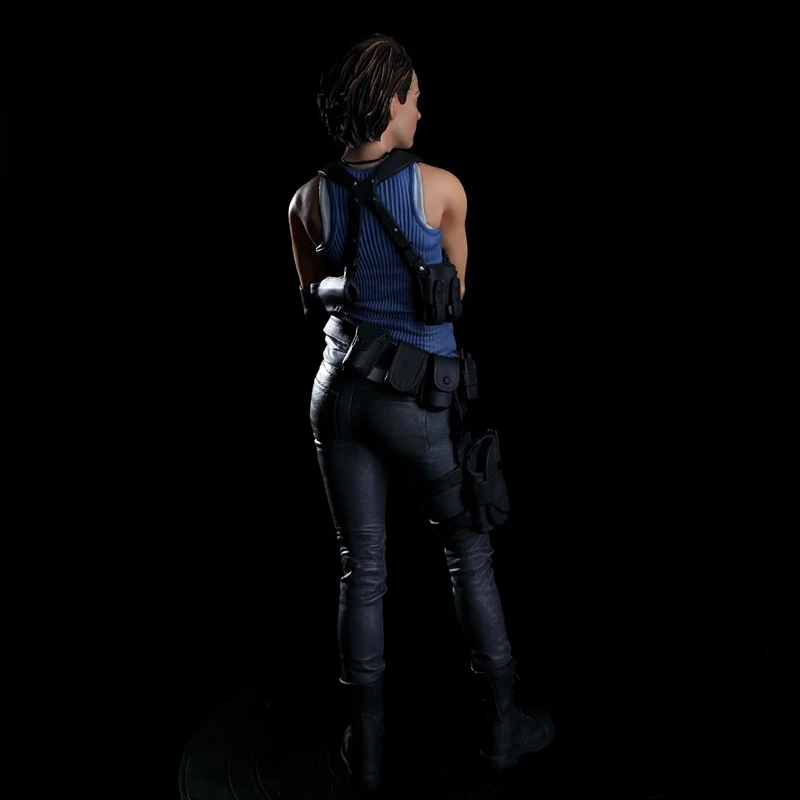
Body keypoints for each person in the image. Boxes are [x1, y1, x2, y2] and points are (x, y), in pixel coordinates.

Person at [288, 33, 555, 793]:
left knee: (361, 567)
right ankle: (503, 725)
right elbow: (456, 293)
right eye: (412, 98)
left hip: (336, 395)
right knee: (467, 552)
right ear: (389, 103)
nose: (419, 110)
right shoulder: (442, 189)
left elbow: (309, 298)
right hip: (414, 404)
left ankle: (366, 750)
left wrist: (352, 289)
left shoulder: (305, 199)